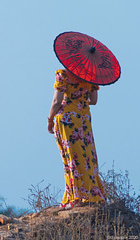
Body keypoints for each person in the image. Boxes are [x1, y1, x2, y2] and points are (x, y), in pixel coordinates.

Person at [47, 69, 107, 209]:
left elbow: (56, 101)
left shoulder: (62, 74)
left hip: (67, 118)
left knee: (71, 156)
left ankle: (75, 197)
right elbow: (93, 101)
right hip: (84, 119)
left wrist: (49, 119)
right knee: (87, 156)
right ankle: (90, 193)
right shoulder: (91, 75)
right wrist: (81, 95)